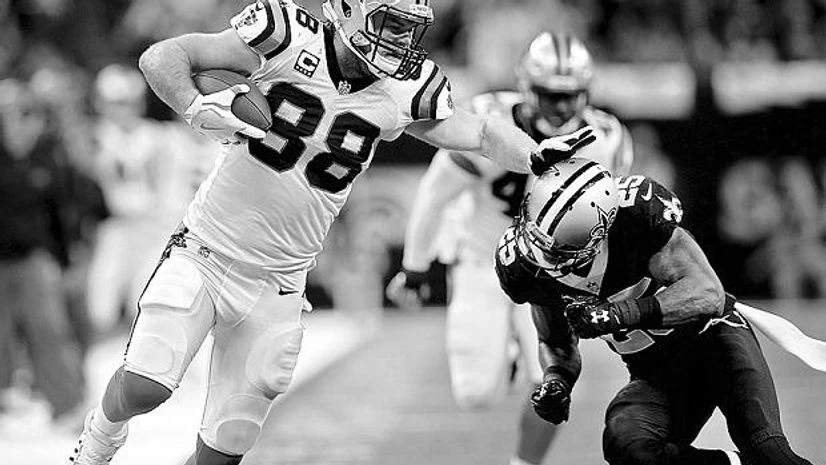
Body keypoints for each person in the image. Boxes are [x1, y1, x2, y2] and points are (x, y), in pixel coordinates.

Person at [67, 1, 595, 464]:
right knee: (146, 382)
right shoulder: (284, 33)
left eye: (409, 29)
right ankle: (95, 445)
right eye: (389, 23)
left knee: (230, 438)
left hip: (280, 280)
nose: (400, 41)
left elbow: (477, 130)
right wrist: (192, 105)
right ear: (346, 9)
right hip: (208, 248)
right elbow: (162, 56)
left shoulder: (404, 88)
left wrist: (532, 153)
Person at [386, 32, 633, 465]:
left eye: (571, 95)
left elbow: (609, 220)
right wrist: (416, 266)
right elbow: (435, 193)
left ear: (587, 92)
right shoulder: (489, 119)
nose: (561, 107)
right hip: (483, 259)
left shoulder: (606, 138)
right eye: (550, 94)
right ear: (526, 87)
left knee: (553, 382)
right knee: (475, 393)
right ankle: (513, 357)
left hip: (551, 274)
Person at [494, 157, 814, 465]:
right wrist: (556, 380)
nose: (544, 253)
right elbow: (555, 342)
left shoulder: (637, 221)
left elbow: (708, 293)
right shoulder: (527, 267)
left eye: (561, 246)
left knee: (767, 449)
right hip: (656, 371)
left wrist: (621, 313)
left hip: (714, 339)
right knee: (627, 444)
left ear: (600, 232)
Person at [0, 79, 87, 432]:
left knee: (50, 330)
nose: (22, 121)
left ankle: (67, 405)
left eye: (28, 113)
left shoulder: (49, 154)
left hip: (35, 258)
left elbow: (60, 211)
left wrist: (68, 260)